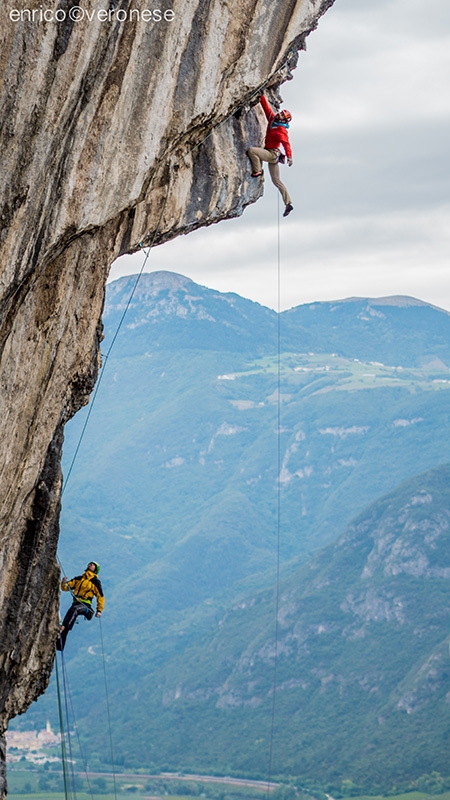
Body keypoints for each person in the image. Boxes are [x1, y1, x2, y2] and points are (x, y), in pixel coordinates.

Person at [247, 94, 294, 217]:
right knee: (276, 180)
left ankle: (257, 171)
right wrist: (261, 94)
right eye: (281, 113)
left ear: (284, 121)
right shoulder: (273, 119)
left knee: (252, 151)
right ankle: (288, 203)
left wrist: (289, 157)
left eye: (283, 115)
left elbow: (286, 144)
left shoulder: (280, 130)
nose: (280, 114)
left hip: (272, 154)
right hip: (272, 154)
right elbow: (266, 107)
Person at [56, 561, 104, 651]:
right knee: (69, 616)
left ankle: (63, 627)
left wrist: (99, 610)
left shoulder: (95, 582)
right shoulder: (80, 578)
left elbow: (100, 597)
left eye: (93, 565)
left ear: (96, 570)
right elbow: (65, 588)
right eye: (90, 563)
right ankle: (59, 646)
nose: (90, 564)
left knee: (74, 611)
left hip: (86, 606)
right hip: (76, 603)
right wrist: (63, 582)